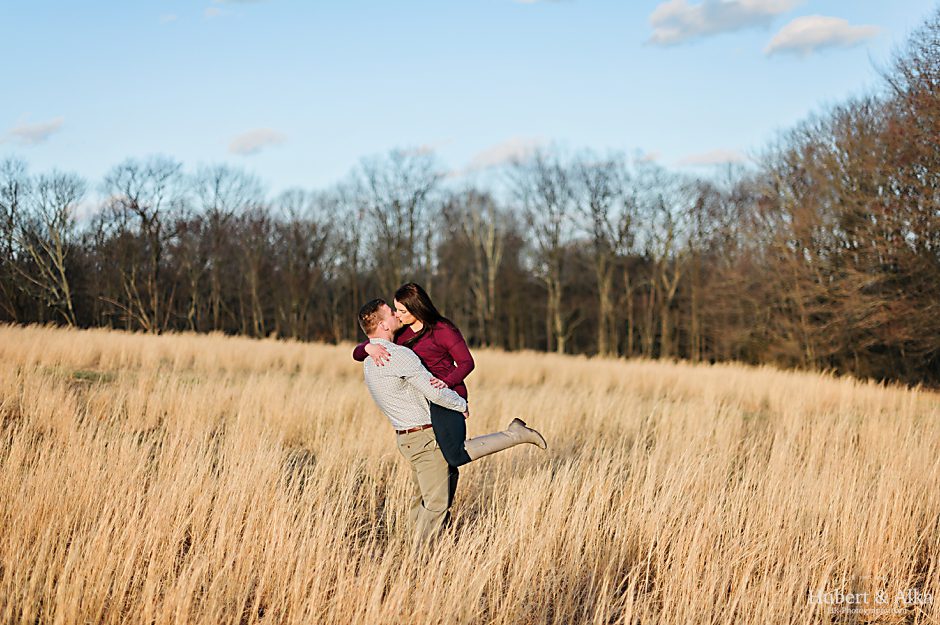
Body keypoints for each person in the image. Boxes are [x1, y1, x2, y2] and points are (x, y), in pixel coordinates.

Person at [357, 298, 546, 543]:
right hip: (424, 437)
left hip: (406, 439)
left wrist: (366, 347)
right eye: (391, 313)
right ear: (383, 325)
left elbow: (365, 347)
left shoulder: (369, 360)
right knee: (436, 504)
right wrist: (460, 404)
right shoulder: (399, 355)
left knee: (423, 498)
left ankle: (411, 551)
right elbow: (434, 390)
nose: (396, 315)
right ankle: (419, 561)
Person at [353, 282, 545, 467]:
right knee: (441, 457)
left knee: (454, 456)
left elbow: (467, 363)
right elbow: (360, 351)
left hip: (448, 393)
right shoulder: (402, 333)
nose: (398, 315)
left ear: (416, 308)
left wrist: (445, 384)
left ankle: (516, 435)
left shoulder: (442, 329)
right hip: (430, 396)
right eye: (396, 310)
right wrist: (368, 347)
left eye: (402, 311)